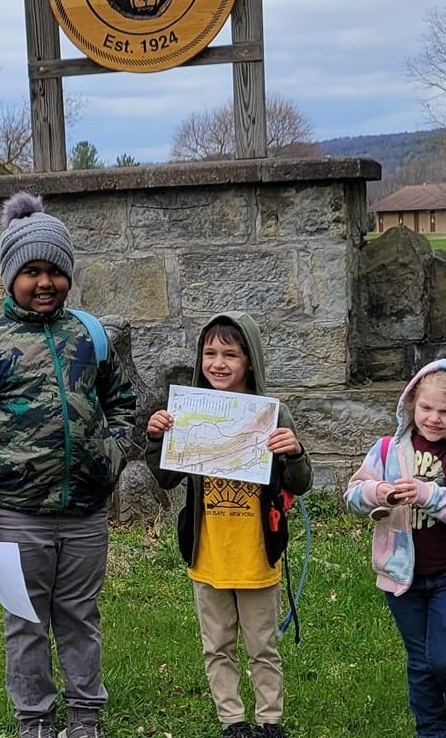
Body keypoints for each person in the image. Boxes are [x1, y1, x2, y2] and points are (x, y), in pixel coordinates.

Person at [0, 193, 135, 738]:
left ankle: (84, 716)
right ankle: (34, 718)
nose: (44, 282)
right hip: (14, 516)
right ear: (10, 276)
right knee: (25, 623)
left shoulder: (89, 337)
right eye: (31, 271)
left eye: (54, 270)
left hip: (85, 515)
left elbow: (122, 402)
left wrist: (112, 453)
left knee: (79, 617)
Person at [145, 311, 313, 738]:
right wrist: (156, 439)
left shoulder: (274, 415)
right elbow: (165, 478)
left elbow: (301, 483)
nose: (218, 363)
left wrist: (293, 452)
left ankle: (269, 721)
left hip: (257, 554)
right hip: (209, 554)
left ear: (250, 360)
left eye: (230, 354)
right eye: (210, 353)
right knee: (216, 644)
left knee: (262, 645)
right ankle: (232, 721)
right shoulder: (188, 413)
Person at [344, 360, 446, 738]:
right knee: (421, 663)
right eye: (427, 408)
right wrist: (377, 492)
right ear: (411, 404)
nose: (435, 418)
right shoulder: (387, 450)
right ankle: (432, 730)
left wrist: (429, 494)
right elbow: (353, 496)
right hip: (401, 577)